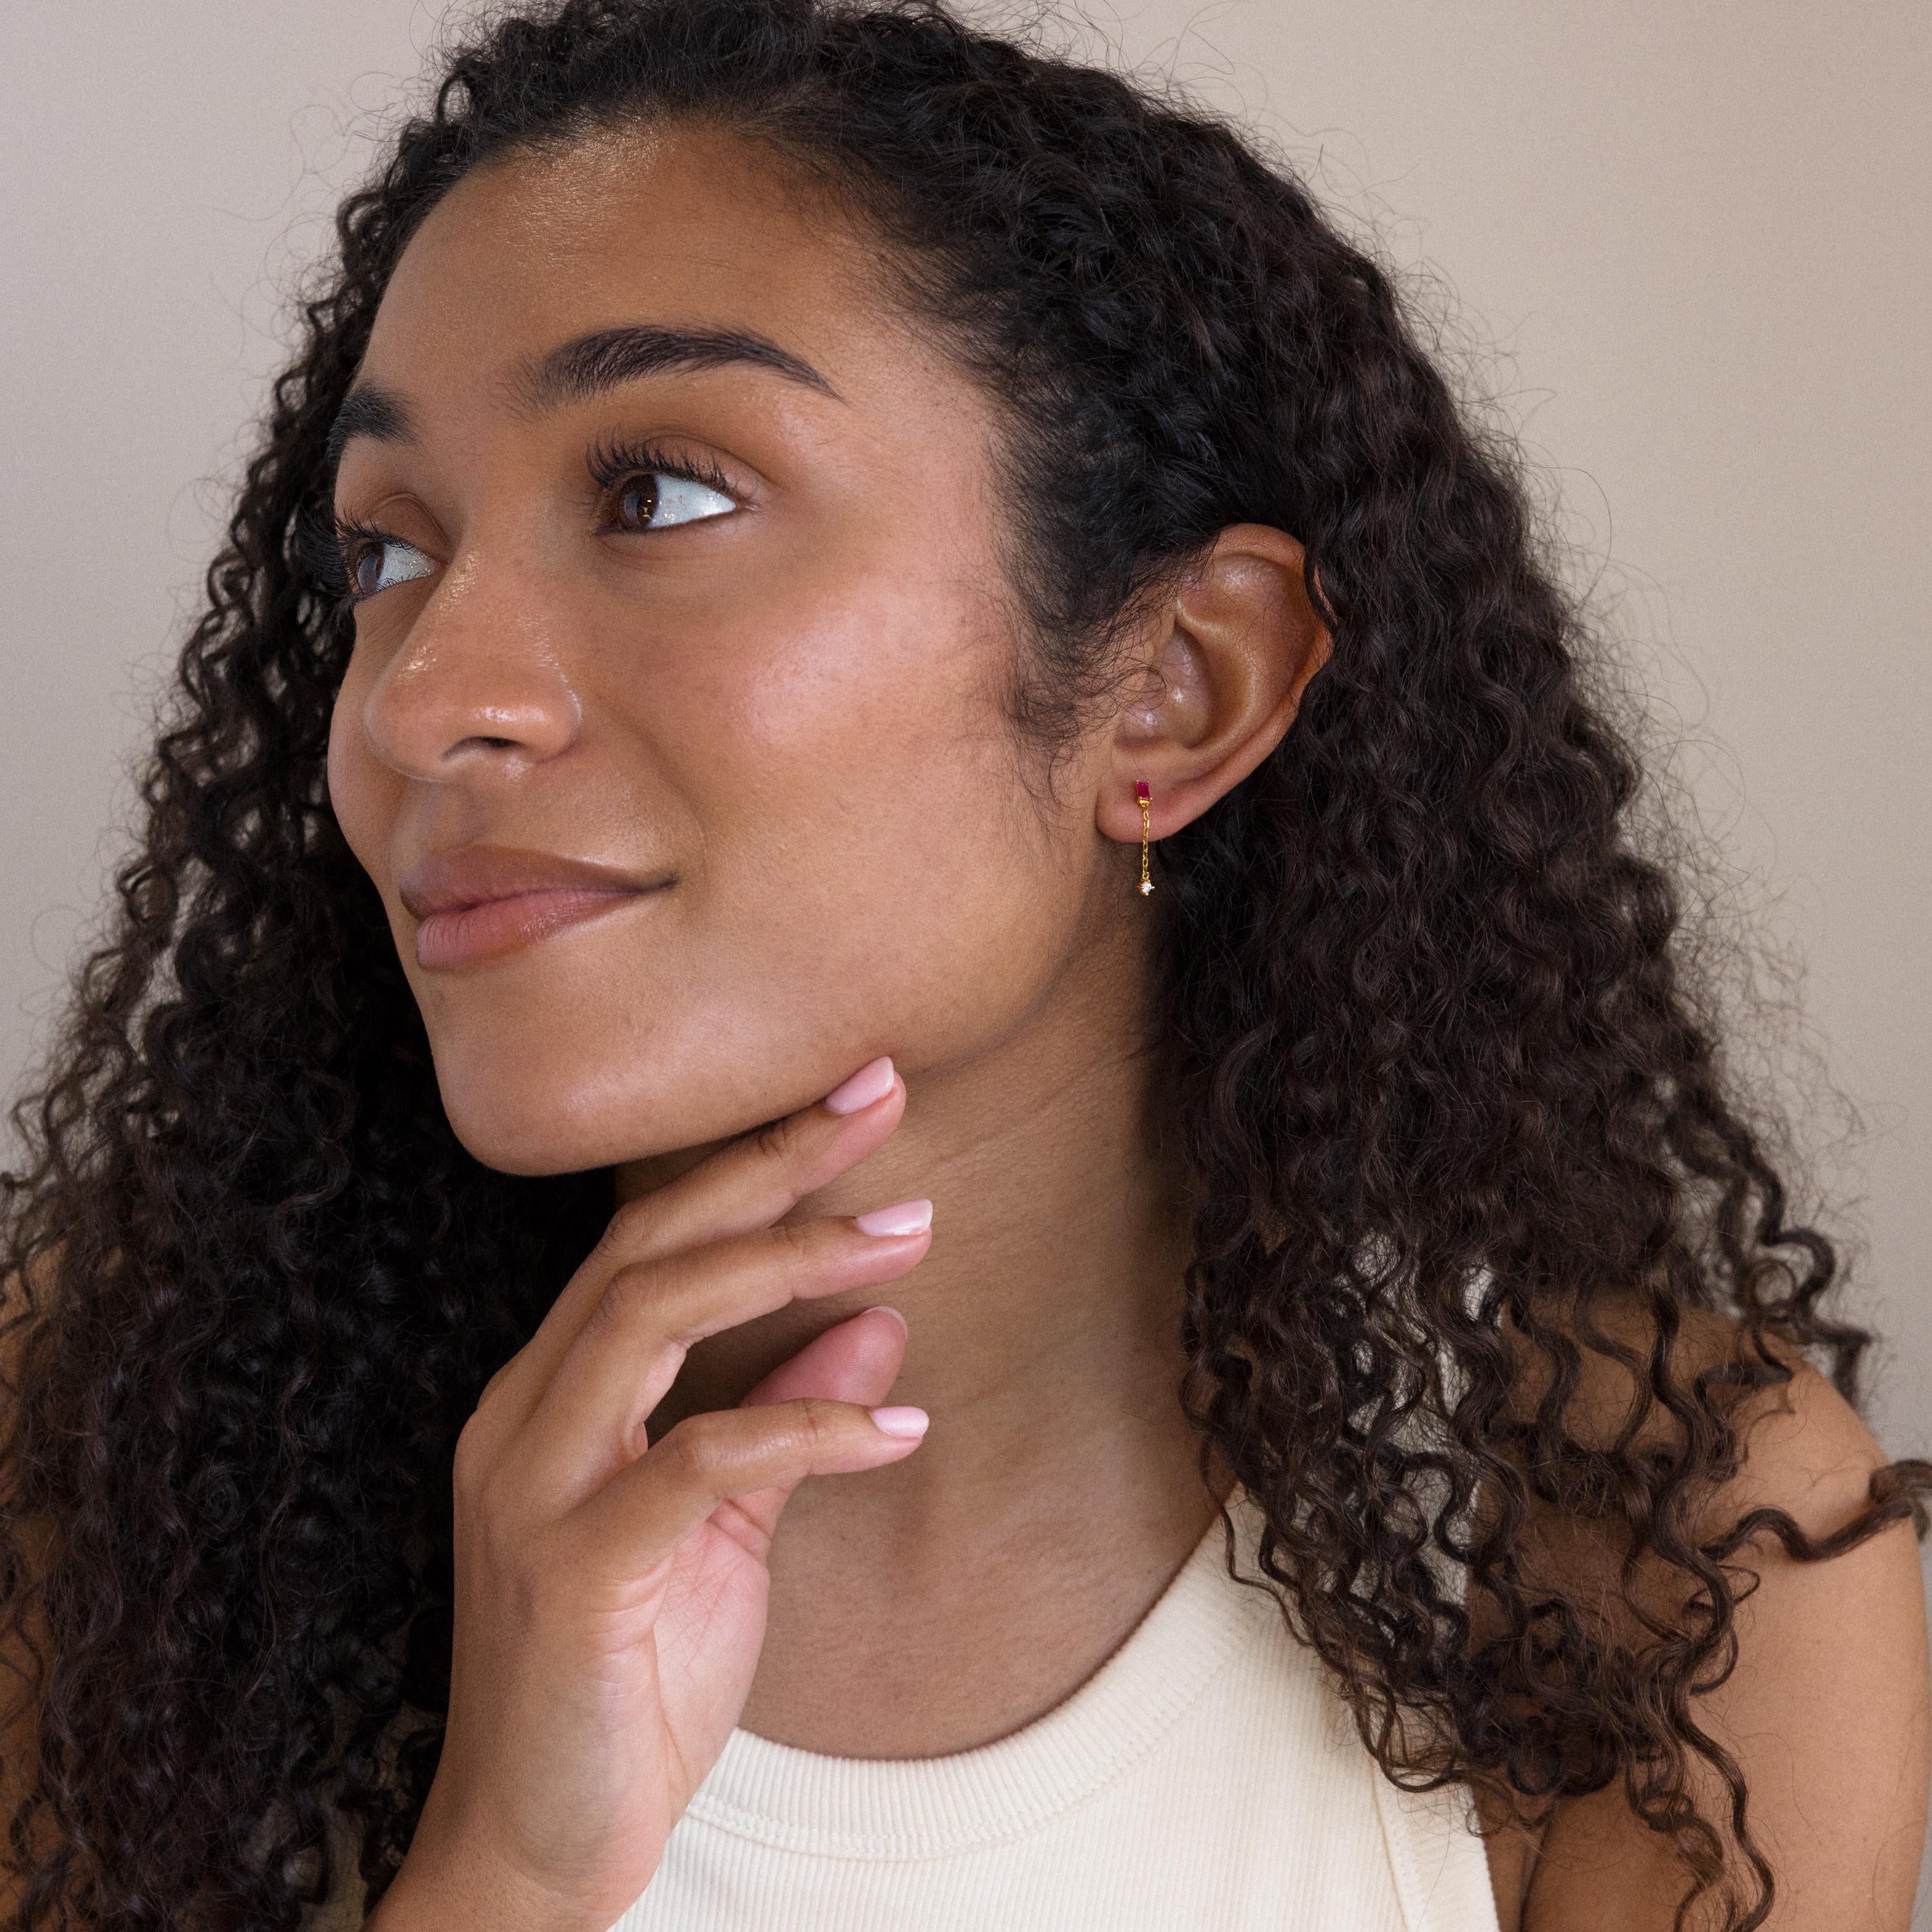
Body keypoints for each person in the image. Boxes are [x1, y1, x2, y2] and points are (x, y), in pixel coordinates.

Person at [1, 1, 1926, 1927]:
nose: (427, 703)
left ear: (1180, 687)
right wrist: (508, 1866)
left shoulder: (1657, 1551)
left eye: (659, 491)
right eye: (385, 551)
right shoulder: (98, 1456)